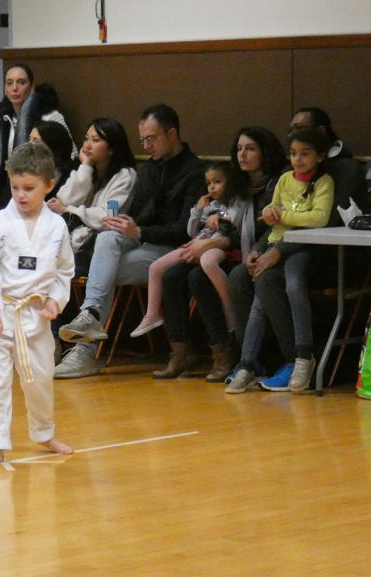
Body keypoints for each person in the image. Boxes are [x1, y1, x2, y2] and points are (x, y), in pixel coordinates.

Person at [55, 104, 206, 379]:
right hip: (141, 241)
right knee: (108, 239)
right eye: (142, 140)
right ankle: (90, 317)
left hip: (172, 250)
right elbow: (137, 216)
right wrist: (127, 226)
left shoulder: (195, 171)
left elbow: (184, 230)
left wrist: (138, 231)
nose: (146, 146)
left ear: (172, 134)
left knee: (101, 271)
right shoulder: (150, 169)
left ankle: (85, 350)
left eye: (151, 139)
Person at [0, 142, 74, 468]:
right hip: (1, 314)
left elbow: (64, 270)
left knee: (40, 379)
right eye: (15, 187)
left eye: (29, 188)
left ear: (49, 185)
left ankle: (44, 433)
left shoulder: (57, 226)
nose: (21, 195)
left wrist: (55, 300)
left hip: (35, 314)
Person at [226, 127, 334, 394]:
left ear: (320, 156)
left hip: (302, 249)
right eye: (294, 153)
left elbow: (318, 219)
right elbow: (270, 215)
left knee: (292, 285)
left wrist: (283, 215)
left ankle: (302, 356)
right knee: (255, 287)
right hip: (275, 243)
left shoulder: (324, 182)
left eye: (305, 153)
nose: (298, 159)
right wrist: (260, 242)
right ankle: (247, 363)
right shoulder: (285, 179)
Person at [136, 161, 246, 382]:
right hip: (199, 245)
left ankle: (222, 349)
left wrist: (218, 217)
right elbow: (191, 230)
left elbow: (233, 221)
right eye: (209, 183)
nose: (212, 187)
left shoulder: (236, 202)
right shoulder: (210, 204)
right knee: (169, 276)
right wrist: (198, 210)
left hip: (226, 251)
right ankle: (180, 351)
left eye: (217, 182)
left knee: (198, 276)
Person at [224, 126, 288, 380]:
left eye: (250, 149)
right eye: (239, 149)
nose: (242, 155)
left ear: (265, 152)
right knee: (230, 276)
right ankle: (249, 358)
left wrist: (258, 251)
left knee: (249, 276)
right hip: (247, 251)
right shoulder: (238, 184)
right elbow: (232, 225)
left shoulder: (280, 181)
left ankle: (281, 358)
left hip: (279, 248)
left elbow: (277, 226)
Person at [45, 117, 137, 267]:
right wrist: (86, 166)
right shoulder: (87, 171)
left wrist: (68, 210)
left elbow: (109, 215)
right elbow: (63, 199)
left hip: (103, 244)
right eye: (86, 139)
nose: (87, 145)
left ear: (111, 149)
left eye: (95, 140)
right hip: (78, 240)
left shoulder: (125, 176)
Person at [0, 65, 74, 208]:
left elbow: (70, 155)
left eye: (21, 82)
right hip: (14, 187)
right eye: (9, 83)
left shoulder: (50, 116)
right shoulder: (5, 118)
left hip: (47, 189)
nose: (14, 88)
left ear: (32, 86)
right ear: (5, 88)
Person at [289, 107, 364, 225]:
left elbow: (336, 217)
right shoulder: (289, 171)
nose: (292, 134)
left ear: (321, 131)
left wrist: (286, 219)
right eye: (291, 130)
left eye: (298, 128)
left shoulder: (347, 169)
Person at [29, 120, 76, 197]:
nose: (29, 145)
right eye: (30, 139)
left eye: (36, 141)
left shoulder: (71, 178)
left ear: (52, 146)